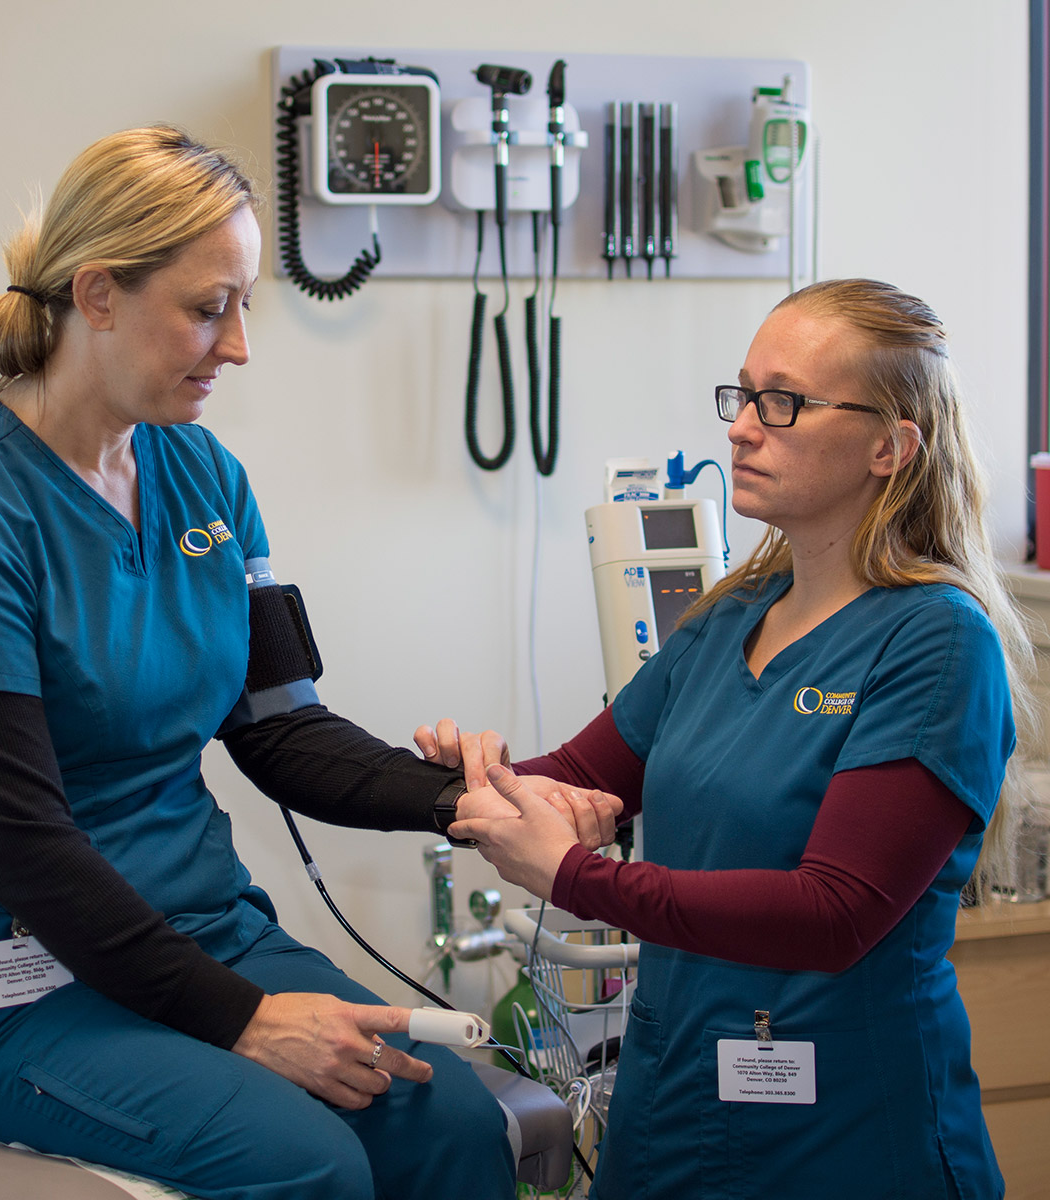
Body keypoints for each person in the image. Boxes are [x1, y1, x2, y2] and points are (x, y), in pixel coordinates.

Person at [0, 125, 620, 1200]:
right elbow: (27, 850)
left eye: (245, 303)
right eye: (209, 308)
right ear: (99, 294)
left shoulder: (203, 473)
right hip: (7, 984)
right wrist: (247, 1022)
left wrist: (473, 801)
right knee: (300, 1161)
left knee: (450, 1122)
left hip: (204, 931)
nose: (240, 344)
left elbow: (282, 729)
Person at [417, 279, 1035, 1200]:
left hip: (847, 1133)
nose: (744, 426)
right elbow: (577, 777)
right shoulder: (727, 621)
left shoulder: (937, 640)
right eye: (741, 396)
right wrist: (457, 774)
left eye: (783, 403)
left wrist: (575, 877)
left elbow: (834, 913)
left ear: (889, 446)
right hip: (675, 1109)